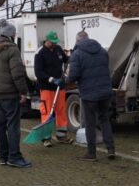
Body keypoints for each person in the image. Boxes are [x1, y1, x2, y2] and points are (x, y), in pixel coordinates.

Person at [0, 19, 31, 168]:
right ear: (10, 35)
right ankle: (14, 157)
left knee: (0, 126)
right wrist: (23, 92)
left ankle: (2, 156)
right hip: (10, 94)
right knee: (13, 126)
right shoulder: (12, 49)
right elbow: (17, 74)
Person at [67, 30, 115, 161]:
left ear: (77, 41)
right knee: (105, 120)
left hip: (89, 93)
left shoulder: (77, 54)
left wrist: (64, 80)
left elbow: (73, 76)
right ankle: (110, 149)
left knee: (90, 123)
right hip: (105, 91)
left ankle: (91, 153)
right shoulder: (102, 51)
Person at [34, 30, 69, 147]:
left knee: (61, 110)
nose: (54, 44)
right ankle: (46, 137)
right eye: (52, 42)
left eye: (55, 41)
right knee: (46, 111)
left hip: (59, 86)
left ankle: (61, 135)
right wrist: (51, 79)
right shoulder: (40, 53)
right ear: (47, 41)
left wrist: (65, 73)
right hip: (46, 87)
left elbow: (66, 60)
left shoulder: (58, 49)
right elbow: (38, 72)